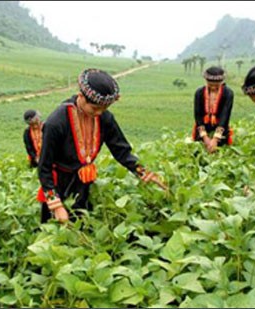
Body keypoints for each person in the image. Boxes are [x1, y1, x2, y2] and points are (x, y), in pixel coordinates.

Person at [37, 68, 166, 223]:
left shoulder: (105, 118)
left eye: (104, 108)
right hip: (58, 184)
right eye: (95, 108)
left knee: (81, 222)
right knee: (54, 228)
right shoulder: (56, 123)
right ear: (81, 97)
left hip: (83, 182)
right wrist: (56, 205)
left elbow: (121, 151)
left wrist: (142, 172)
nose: (99, 113)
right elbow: (44, 166)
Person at [192, 66, 234, 153]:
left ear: (222, 82)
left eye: (217, 85)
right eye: (210, 85)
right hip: (202, 127)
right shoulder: (199, 93)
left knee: (220, 153)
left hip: (221, 127)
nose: (213, 88)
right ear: (206, 81)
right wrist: (205, 137)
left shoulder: (228, 93)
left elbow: (225, 115)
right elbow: (198, 115)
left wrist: (215, 138)